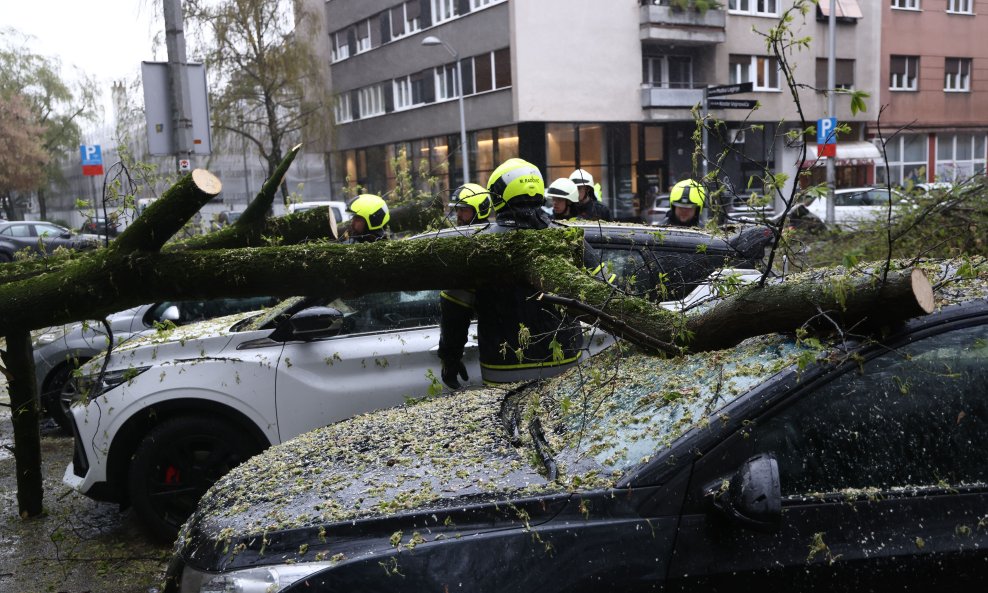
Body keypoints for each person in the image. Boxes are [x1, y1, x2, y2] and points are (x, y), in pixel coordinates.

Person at [438, 158, 601, 388]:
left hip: (502, 369)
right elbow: (607, 292)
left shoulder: (478, 247)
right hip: (565, 366)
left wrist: (450, 357)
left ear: (497, 196)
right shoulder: (567, 239)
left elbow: (454, 309)